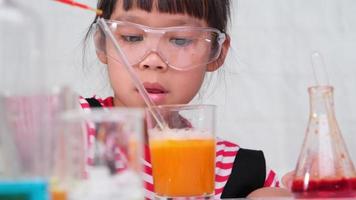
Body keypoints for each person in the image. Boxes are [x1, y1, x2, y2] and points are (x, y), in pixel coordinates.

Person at [80, 0, 292, 199]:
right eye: (132, 36)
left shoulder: (242, 172)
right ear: (102, 41)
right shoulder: (69, 128)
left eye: (180, 39)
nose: (153, 60)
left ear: (216, 52)